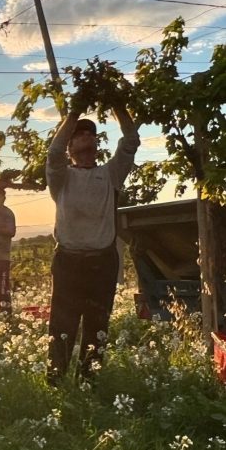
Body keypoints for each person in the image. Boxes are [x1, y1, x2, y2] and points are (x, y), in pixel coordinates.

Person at [45, 101, 140, 384]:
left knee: (98, 325)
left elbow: (131, 140)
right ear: (70, 146)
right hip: (68, 261)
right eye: (79, 134)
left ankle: (88, 382)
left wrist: (117, 103)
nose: (87, 137)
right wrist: (73, 114)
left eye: (91, 134)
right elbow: (52, 153)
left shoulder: (110, 174)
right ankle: (56, 381)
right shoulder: (61, 178)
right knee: (62, 325)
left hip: (102, 261)